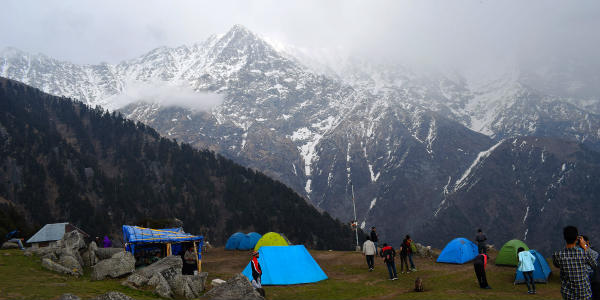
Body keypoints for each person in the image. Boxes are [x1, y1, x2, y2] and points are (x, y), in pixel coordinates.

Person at [553, 226, 598, 300]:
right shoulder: (584, 253)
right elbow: (594, 264)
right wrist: (585, 247)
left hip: (568, 295)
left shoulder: (557, 255)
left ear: (565, 238)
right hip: (584, 294)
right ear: (577, 238)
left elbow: (556, 265)